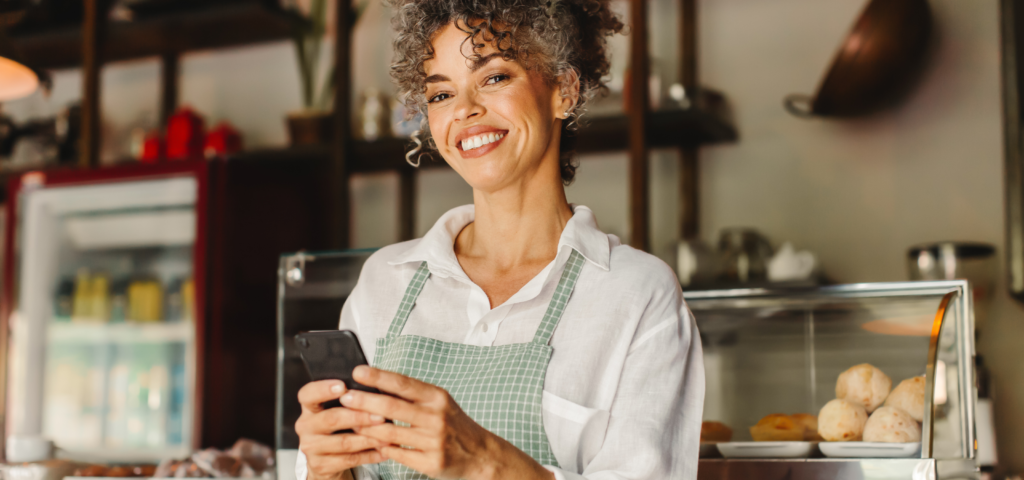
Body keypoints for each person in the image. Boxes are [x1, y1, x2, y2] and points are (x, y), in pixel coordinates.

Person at [295, 1, 704, 479]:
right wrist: (326, 471)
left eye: (494, 78)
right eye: (442, 94)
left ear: (563, 89)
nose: (465, 110)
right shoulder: (383, 284)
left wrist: (485, 464)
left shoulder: (636, 296)